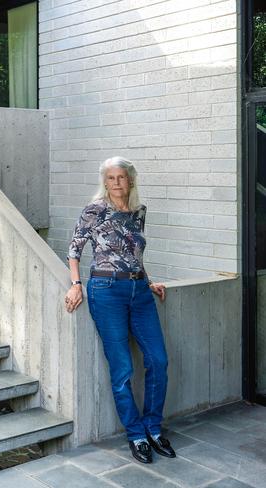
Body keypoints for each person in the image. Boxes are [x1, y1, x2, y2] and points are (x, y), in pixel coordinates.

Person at [64, 156, 175, 464]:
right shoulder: (94, 210)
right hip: (105, 291)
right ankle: (136, 434)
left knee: (158, 360)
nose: (116, 183)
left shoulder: (139, 212)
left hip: (139, 292)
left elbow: (133, 253)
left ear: (131, 181)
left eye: (121, 177)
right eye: (110, 178)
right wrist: (76, 284)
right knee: (123, 368)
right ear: (105, 181)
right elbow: (74, 250)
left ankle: (154, 427)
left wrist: (148, 281)